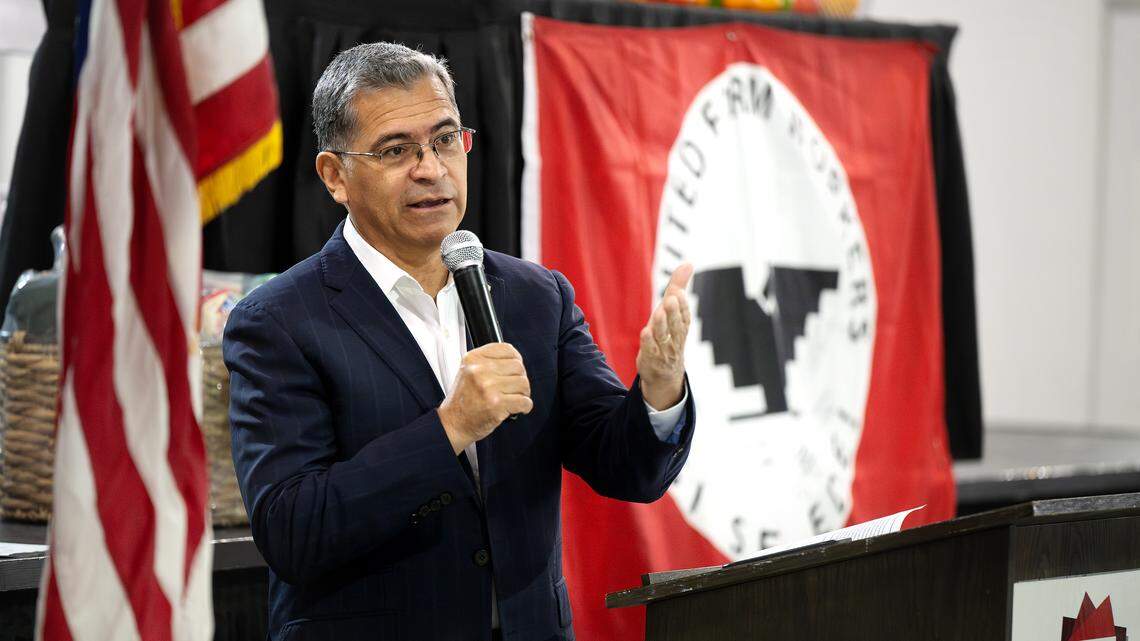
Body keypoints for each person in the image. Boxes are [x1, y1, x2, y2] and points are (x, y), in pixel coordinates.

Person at [223, 42, 696, 641]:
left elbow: (627, 468)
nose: (431, 168)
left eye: (446, 140)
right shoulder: (278, 321)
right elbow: (294, 531)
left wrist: (658, 393)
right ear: (334, 176)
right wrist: (451, 427)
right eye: (397, 150)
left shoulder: (534, 296)